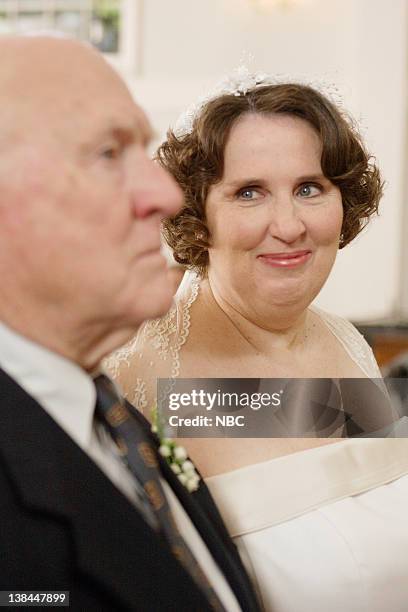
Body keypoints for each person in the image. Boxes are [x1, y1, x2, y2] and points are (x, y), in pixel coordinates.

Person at [109, 72, 408, 611]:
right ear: (198, 214)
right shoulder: (142, 375)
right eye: (249, 192)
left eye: (309, 188)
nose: (289, 225)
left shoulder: (345, 340)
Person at [0, 36, 260, 612]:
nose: (165, 195)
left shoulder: (118, 419)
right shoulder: (164, 368)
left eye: (313, 188)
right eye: (107, 153)